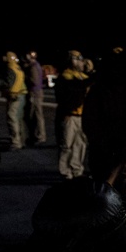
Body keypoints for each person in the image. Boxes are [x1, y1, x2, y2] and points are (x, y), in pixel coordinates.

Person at [83, 46, 126, 233]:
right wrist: (108, 147)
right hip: (104, 157)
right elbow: (90, 126)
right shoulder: (97, 93)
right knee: (106, 200)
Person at [55, 49, 93, 179]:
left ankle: (77, 169)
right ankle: (65, 171)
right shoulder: (66, 76)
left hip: (82, 115)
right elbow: (77, 88)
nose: (81, 61)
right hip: (70, 115)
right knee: (67, 144)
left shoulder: (83, 76)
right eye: (77, 59)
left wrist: (90, 72)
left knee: (80, 144)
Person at [1, 51, 28, 151]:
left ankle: (15, 142)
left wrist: (11, 91)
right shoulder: (18, 67)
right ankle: (22, 140)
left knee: (12, 118)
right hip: (21, 95)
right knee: (19, 118)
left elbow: (11, 82)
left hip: (15, 96)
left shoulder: (10, 68)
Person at [22, 50, 47, 146]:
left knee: (36, 115)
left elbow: (34, 81)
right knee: (36, 115)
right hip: (36, 92)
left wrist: (25, 77)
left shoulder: (33, 67)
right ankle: (38, 135)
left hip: (34, 93)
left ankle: (40, 136)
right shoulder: (36, 65)